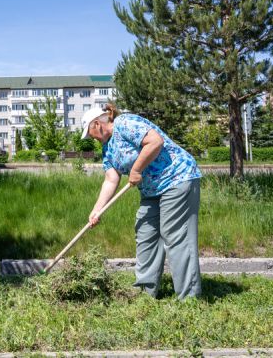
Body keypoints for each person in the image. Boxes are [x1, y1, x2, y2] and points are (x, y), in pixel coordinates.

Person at [81, 103, 202, 299]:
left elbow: (155, 142)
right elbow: (111, 179)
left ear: (97, 124)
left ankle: (189, 298)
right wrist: (97, 210)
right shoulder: (107, 149)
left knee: (175, 234)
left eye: (89, 133)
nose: (91, 138)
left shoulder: (125, 123)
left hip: (177, 178)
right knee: (145, 232)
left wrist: (136, 170)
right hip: (151, 190)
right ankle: (146, 293)